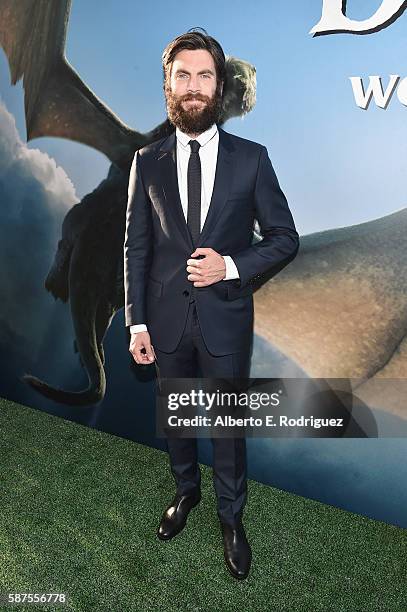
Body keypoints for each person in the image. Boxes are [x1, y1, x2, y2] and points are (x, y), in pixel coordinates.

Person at [123, 30, 299, 580]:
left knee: (227, 427)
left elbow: (284, 237)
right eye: (183, 75)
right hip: (165, 322)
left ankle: (230, 517)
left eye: (204, 76)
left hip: (225, 319)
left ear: (220, 87)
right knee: (176, 420)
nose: (193, 87)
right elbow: (137, 247)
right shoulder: (146, 162)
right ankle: (184, 493)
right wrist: (136, 323)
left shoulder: (252, 160)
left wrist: (229, 265)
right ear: (168, 85)